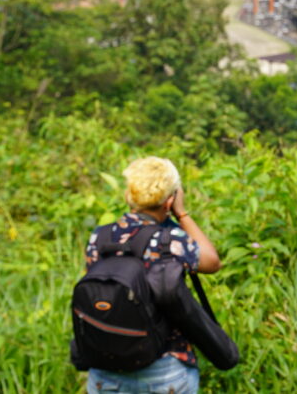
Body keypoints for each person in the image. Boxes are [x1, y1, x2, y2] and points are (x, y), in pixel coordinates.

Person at [83, 156, 221, 394]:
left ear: (129, 195)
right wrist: (182, 214)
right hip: (164, 367)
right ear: (169, 201)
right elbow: (211, 261)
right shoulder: (170, 240)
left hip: (107, 368)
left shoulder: (100, 236)